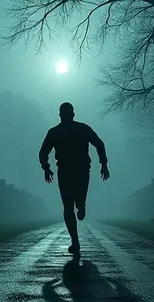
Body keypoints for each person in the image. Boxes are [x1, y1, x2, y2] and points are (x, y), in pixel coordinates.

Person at [39, 102, 110, 255]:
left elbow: (43, 152)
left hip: (73, 171)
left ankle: (80, 210)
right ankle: (75, 240)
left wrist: (46, 168)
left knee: (70, 206)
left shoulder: (57, 132)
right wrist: (46, 167)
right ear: (72, 114)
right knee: (68, 206)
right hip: (76, 171)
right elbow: (99, 144)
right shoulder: (80, 129)